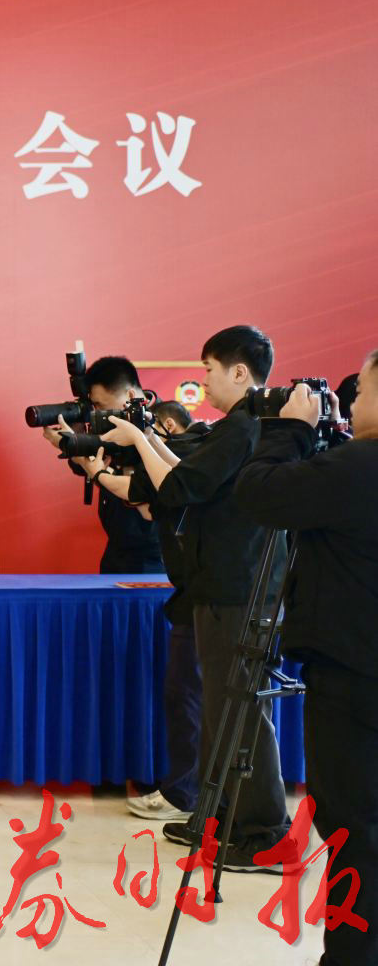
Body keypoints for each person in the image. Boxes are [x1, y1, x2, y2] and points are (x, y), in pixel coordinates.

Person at [101, 325, 291, 871]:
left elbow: (180, 487)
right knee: (220, 707)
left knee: (242, 711)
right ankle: (218, 816)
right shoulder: (236, 427)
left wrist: (140, 440)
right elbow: (188, 473)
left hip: (239, 588)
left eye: (209, 369)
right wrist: (141, 439)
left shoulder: (248, 427)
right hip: (218, 585)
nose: (203, 380)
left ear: (239, 372)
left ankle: (267, 834)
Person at [233, 353, 378, 966]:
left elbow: (259, 495)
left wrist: (289, 430)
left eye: (363, 389)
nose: (355, 399)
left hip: (354, 672)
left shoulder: (360, 467)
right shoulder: (352, 466)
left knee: (354, 829)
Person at [84, 399, 212, 823]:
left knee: (190, 695)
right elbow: (144, 502)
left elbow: (151, 489)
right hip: (193, 592)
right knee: (185, 694)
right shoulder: (186, 456)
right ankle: (190, 791)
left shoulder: (197, 451)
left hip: (210, 592)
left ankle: (186, 794)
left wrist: (122, 452)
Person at [41, 355, 163, 574]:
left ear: (130, 396)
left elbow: (144, 487)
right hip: (116, 550)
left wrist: (79, 453)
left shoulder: (163, 424)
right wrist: (75, 441)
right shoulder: (111, 420)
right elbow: (86, 467)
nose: (96, 413)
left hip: (156, 555)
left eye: (100, 405)